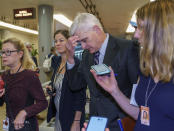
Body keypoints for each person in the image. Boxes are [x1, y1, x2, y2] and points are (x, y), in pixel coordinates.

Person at [90, 0, 174, 130]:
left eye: (141, 27)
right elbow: (141, 115)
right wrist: (114, 90)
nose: (136, 34)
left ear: (160, 31)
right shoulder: (147, 71)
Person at [66, 13, 139, 131]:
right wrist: (70, 58)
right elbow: (75, 85)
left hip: (122, 123)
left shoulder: (127, 48)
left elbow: (138, 90)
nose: (83, 46)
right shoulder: (86, 56)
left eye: (85, 40)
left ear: (96, 30)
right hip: (96, 123)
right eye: (80, 43)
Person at [0, 38, 48, 131]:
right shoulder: (4, 76)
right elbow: (2, 102)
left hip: (27, 126)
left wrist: (24, 112)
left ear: (20, 54)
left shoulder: (29, 76)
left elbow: (43, 103)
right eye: (2, 52)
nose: (4, 55)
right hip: (9, 124)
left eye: (8, 52)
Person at [46, 29, 86, 131]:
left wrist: (76, 122)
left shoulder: (77, 65)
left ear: (69, 42)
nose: (57, 44)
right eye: (55, 41)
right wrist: (51, 86)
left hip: (72, 117)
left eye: (61, 40)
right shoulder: (57, 62)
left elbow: (80, 97)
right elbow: (56, 81)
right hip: (59, 115)